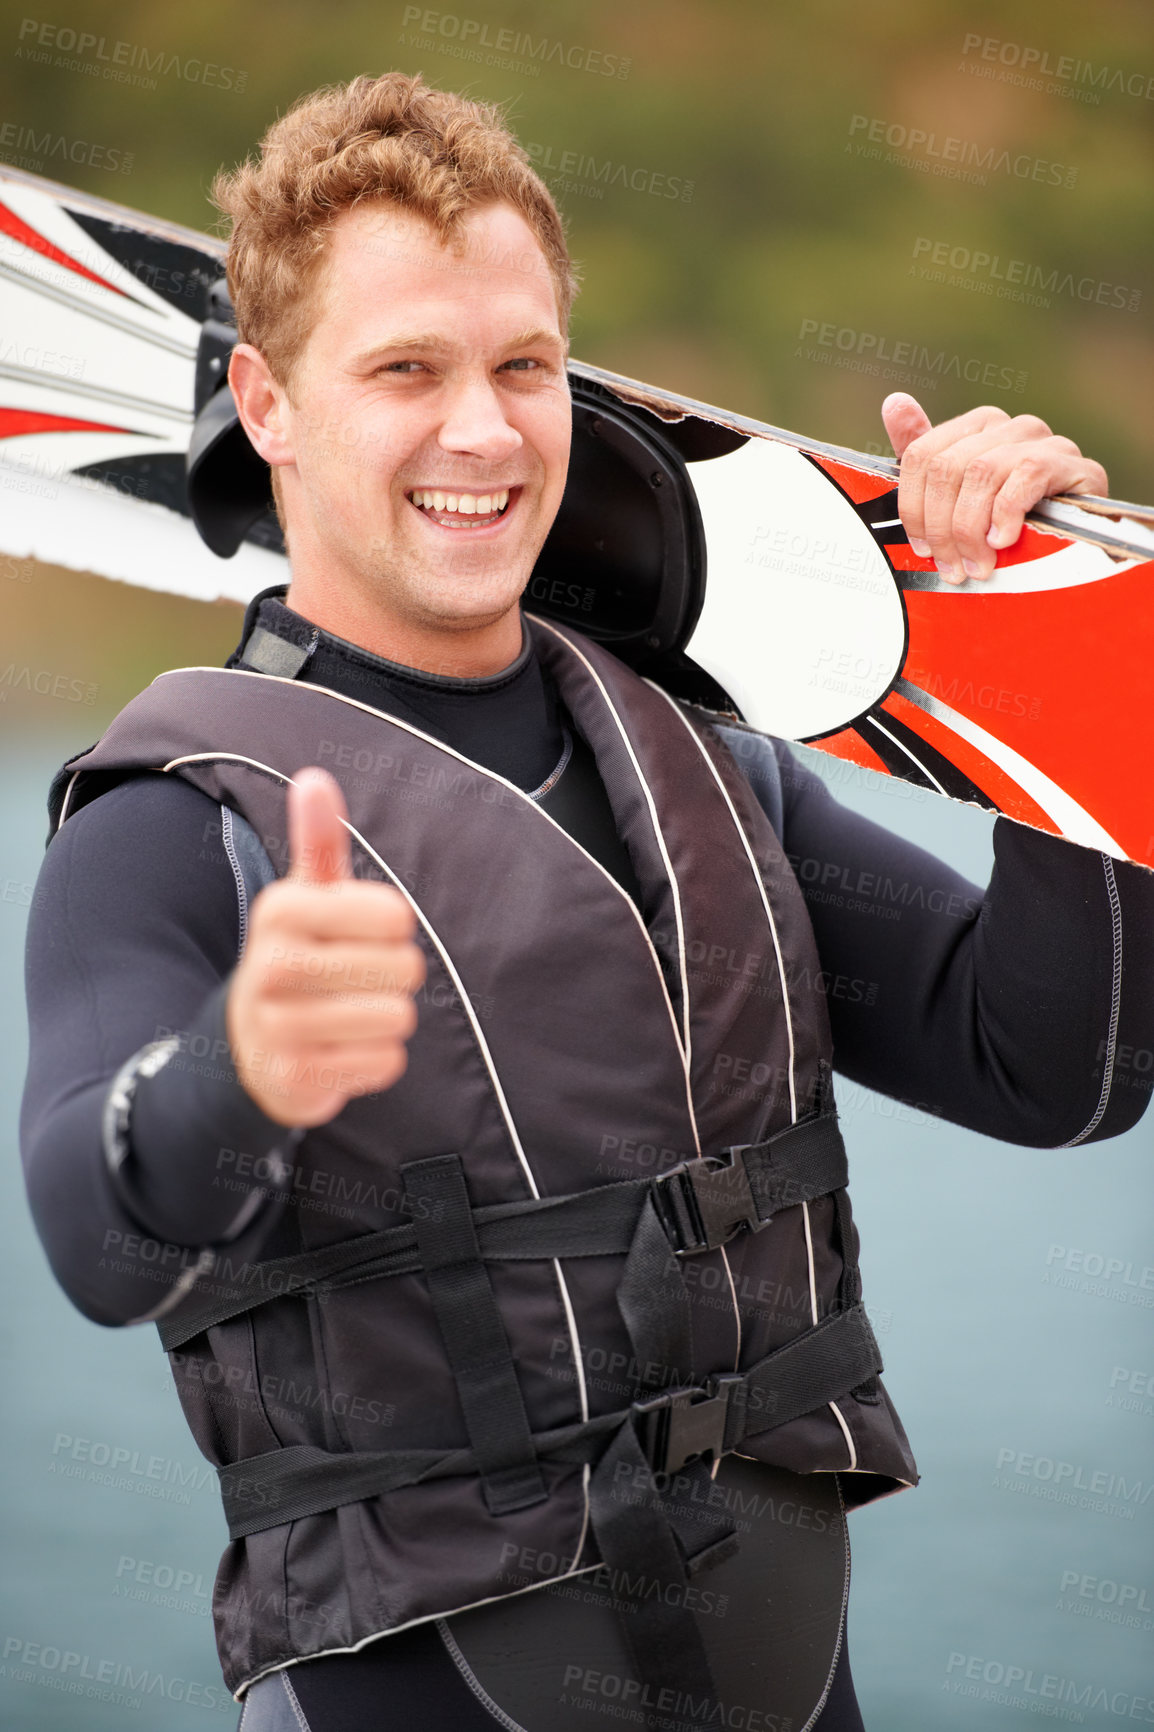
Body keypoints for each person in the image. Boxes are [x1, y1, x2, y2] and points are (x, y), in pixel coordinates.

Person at [19, 72, 1154, 1732]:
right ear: (264, 401)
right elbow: (96, 1237)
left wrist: (1062, 672)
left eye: (523, 367)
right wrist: (241, 1072)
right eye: (404, 369)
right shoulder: (174, 824)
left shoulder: (705, 772)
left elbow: (1057, 1071)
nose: (481, 431)